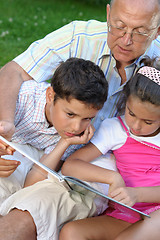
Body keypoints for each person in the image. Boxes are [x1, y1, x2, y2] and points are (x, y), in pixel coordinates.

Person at [0, 0, 159, 239]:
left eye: (140, 32)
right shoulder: (78, 36)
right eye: (119, 26)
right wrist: (4, 125)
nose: (126, 40)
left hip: (91, 176)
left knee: (22, 218)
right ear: (108, 13)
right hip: (42, 150)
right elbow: (14, 71)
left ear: (157, 29)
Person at [59, 57, 160, 240]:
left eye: (148, 122)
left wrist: (137, 194)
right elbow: (71, 165)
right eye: (131, 113)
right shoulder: (115, 129)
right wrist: (112, 177)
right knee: (71, 232)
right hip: (126, 215)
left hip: (158, 213)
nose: (136, 126)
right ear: (125, 100)